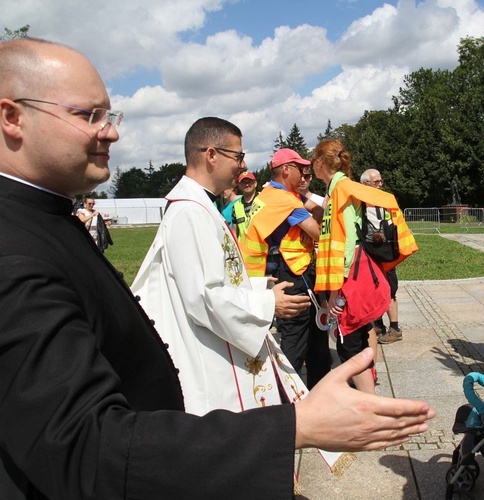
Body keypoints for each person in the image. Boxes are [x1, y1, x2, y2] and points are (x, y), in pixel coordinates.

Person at [0, 37, 435, 499]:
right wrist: (292, 423)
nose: (111, 132)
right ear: (12, 117)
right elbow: (82, 447)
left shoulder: (48, 217)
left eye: (111, 116)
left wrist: (252, 284)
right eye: (89, 116)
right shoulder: (19, 250)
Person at [131, 118, 315, 416]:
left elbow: (210, 280)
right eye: (238, 156)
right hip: (202, 360)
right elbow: (203, 296)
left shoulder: (201, 207)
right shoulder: (189, 212)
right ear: (211, 155)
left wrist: (257, 287)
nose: (243, 166)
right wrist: (268, 303)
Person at [311, 139, 417, 394]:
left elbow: (345, 243)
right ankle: (369, 397)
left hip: (350, 278)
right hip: (359, 273)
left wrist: (336, 291)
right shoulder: (341, 188)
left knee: (349, 342)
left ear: (321, 163)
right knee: (356, 338)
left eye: (313, 160)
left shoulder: (340, 191)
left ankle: (369, 403)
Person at [238, 148, 331, 388]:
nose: (304, 175)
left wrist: (317, 205)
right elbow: (318, 231)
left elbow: (316, 209)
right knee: (296, 336)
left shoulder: (271, 193)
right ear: (286, 170)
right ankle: (286, 392)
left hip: (277, 271)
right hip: (290, 274)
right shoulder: (284, 201)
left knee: (312, 332)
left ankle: (315, 388)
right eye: (300, 170)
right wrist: (325, 211)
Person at [360, 168, 403, 345]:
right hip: (369, 251)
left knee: (389, 290)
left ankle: (394, 328)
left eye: (380, 181)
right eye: (376, 182)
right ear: (365, 184)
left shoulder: (386, 199)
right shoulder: (359, 201)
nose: (380, 184)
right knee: (373, 289)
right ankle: (378, 324)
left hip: (386, 251)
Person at [233, 169, 258, 237]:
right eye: (243, 183)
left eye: (249, 182)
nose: (247, 185)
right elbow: (234, 231)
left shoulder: (264, 199)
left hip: (265, 247)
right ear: (239, 185)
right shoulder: (235, 206)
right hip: (243, 247)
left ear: (255, 183)